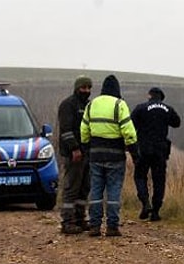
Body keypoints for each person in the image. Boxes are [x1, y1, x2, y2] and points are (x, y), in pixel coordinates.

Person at [80, 74, 137, 237]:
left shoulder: (91, 105)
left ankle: (95, 225)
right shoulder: (119, 104)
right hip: (115, 156)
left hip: (96, 155)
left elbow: (84, 130)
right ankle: (112, 226)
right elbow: (129, 132)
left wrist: (86, 148)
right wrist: (134, 153)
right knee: (113, 191)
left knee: (96, 190)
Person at [130, 87, 181, 221]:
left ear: (149, 96)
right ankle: (156, 212)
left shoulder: (140, 108)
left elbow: (131, 125)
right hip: (160, 150)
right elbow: (177, 123)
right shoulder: (167, 109)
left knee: (140, 176)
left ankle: (145, 203)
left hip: (143, 149)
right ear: (161, 97)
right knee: (159, 180)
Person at [57, 75, 92, 234]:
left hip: (87, 153)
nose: (86, 91)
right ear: (77, 88)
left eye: (88, 88)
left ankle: (80, 218)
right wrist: (74, 149)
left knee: (84, 188)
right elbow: (66, 130)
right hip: (73, 154)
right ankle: (67, 221)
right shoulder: (68, 105)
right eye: (83, 87)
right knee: (72, 188)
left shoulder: (88, 105)